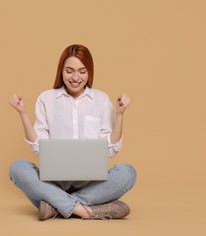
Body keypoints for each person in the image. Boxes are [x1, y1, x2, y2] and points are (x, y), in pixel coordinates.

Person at [9, 44, 136, 220]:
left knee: (127, 173)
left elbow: (111, 149)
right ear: (61, 71)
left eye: (82, 71)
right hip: (54, 183)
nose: (75, 77)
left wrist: (120, 115)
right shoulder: (46, 99)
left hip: (91, 184)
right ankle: (85, 211)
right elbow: (39, 147)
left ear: (89, 72)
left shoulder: (102, 100)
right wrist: (22, 113)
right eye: (69, 71)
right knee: (18, 168)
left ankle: (56, 207)